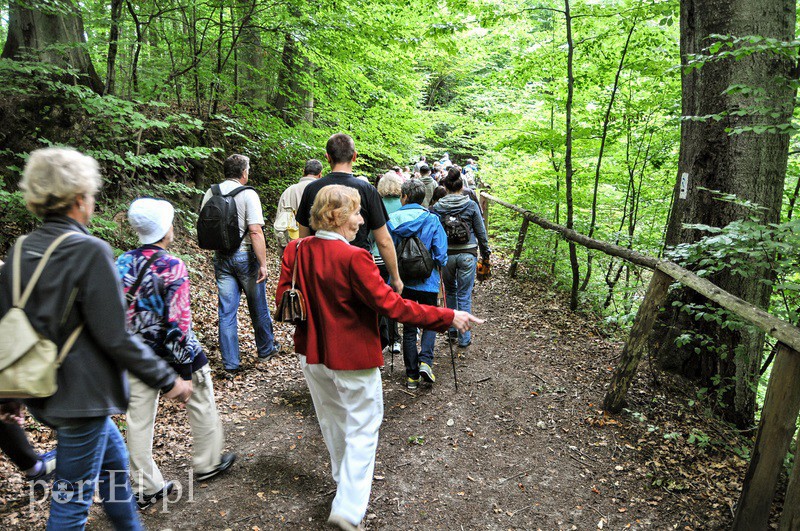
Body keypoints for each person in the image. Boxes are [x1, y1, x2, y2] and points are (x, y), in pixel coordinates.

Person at [0, 147, 191, 530]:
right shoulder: (89, 250)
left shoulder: (21, 249)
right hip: (82, 399)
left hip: (45, 390)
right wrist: (167, 379)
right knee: (70, 507)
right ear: (77, 199)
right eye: (89, 193)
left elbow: (13, 326)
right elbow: (115, 334)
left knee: (116, 476)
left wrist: (10, 394)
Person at [277, 185, 483, 531]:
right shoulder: (354, 257)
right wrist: (447, 316)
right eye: (356, 213)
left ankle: (344, 489)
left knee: (333, 423)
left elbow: (286, 297)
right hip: (352, 357)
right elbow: (392, 306)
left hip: (312, 354)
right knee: (363, 425)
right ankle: (348, 507)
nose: (361, 220)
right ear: (337, 217)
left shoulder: (296, 249)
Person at [117, 198, 236, 510]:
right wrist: (183, 372)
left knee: (138, 420)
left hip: (136, 354)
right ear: (164, 230)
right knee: (201, 397)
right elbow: (179, 323)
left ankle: (146, 486)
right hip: (174, 353)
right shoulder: (172, 266)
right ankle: (207, 462)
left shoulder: (122, 263)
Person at [295, 132, 403, 294]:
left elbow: (303, 238)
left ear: (327, 157)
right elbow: (383, 241)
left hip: (321, 270)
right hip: (359, 270)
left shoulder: (311, 189)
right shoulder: (368, 190)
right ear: (354, 156)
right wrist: (395, 277)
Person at [201, 154, 279, 375]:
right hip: (245, 257)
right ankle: (265, 350)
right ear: (244, 172)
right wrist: (263, 263)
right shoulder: (248, 194)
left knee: (226, 312)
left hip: (222, 257)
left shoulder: (211, 192)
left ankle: (231, 364)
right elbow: (255, 230)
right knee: (258, 306)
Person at [389, 179, 449, 389]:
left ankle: (411, 376)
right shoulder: (432, 219)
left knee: (408, 327)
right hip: (428, 281)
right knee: (430, 322)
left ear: (403, 197)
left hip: (402, 282)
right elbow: (441, 255)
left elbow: (386, 250)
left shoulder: (392, 220)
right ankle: (426, 361)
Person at [431, 168, 491, 348]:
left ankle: (451, 331)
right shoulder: (471, 205)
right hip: (468, 254)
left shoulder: (437, 208)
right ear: (462, 186)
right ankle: (464, 337)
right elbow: (481, 232)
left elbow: (433, 233)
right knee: (464, 294)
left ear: (445, 187)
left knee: (450, 292)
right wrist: (486, 253)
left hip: (447, 255)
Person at [372, 172, 403, 353]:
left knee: (377, 299)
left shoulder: (376, 204)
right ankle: (395, 338)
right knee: (393, 297)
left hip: (376, 258)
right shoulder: (402, 205)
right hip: (395, 258)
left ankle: (379, 337)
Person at [273, 159, 323, 253]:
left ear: (303, 172)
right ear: (320, 174)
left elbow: (279, 224)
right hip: (316, 249)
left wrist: (281, 251)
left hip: (291, 248)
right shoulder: (323, 191)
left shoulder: (288, 191)